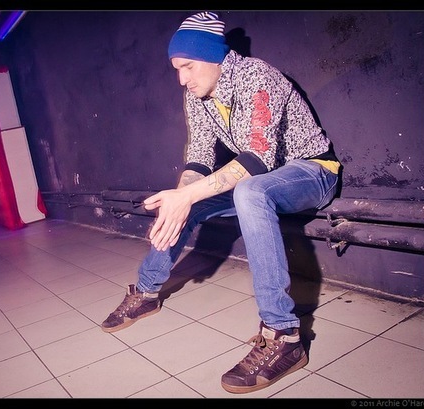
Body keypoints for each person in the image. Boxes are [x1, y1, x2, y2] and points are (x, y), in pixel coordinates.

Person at [101, 12, 341, 394]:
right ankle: (145, 293)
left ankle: (284, 336)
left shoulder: (257, 77)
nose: (182, 79)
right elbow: (199, 158)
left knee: (248, 191)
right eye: (177, 70)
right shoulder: (197, 96)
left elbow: (257, 159)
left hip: (311, 171)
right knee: (190, 202)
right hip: (262, 180)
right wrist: (180, 199)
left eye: (188, 66)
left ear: (213, 56)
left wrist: (188, 195)